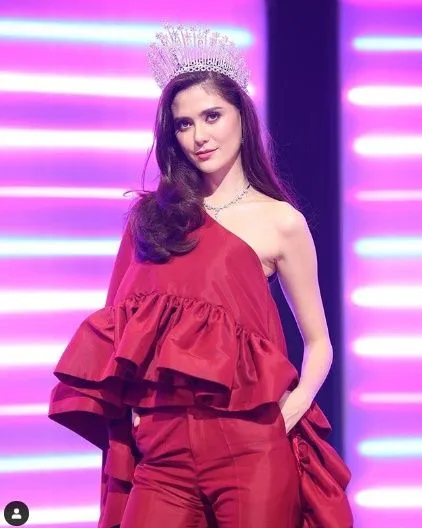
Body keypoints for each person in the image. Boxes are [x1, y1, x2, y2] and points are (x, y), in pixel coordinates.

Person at [48, 24, 353, 527]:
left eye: (212, 116)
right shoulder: (152, 220)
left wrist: (284, 418)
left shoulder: (281, 221)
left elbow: (319, 343)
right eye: (184, 124)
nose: (199, 136)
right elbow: (118, 331)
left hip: (251, 445)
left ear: (242, 118)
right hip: (163, 450)